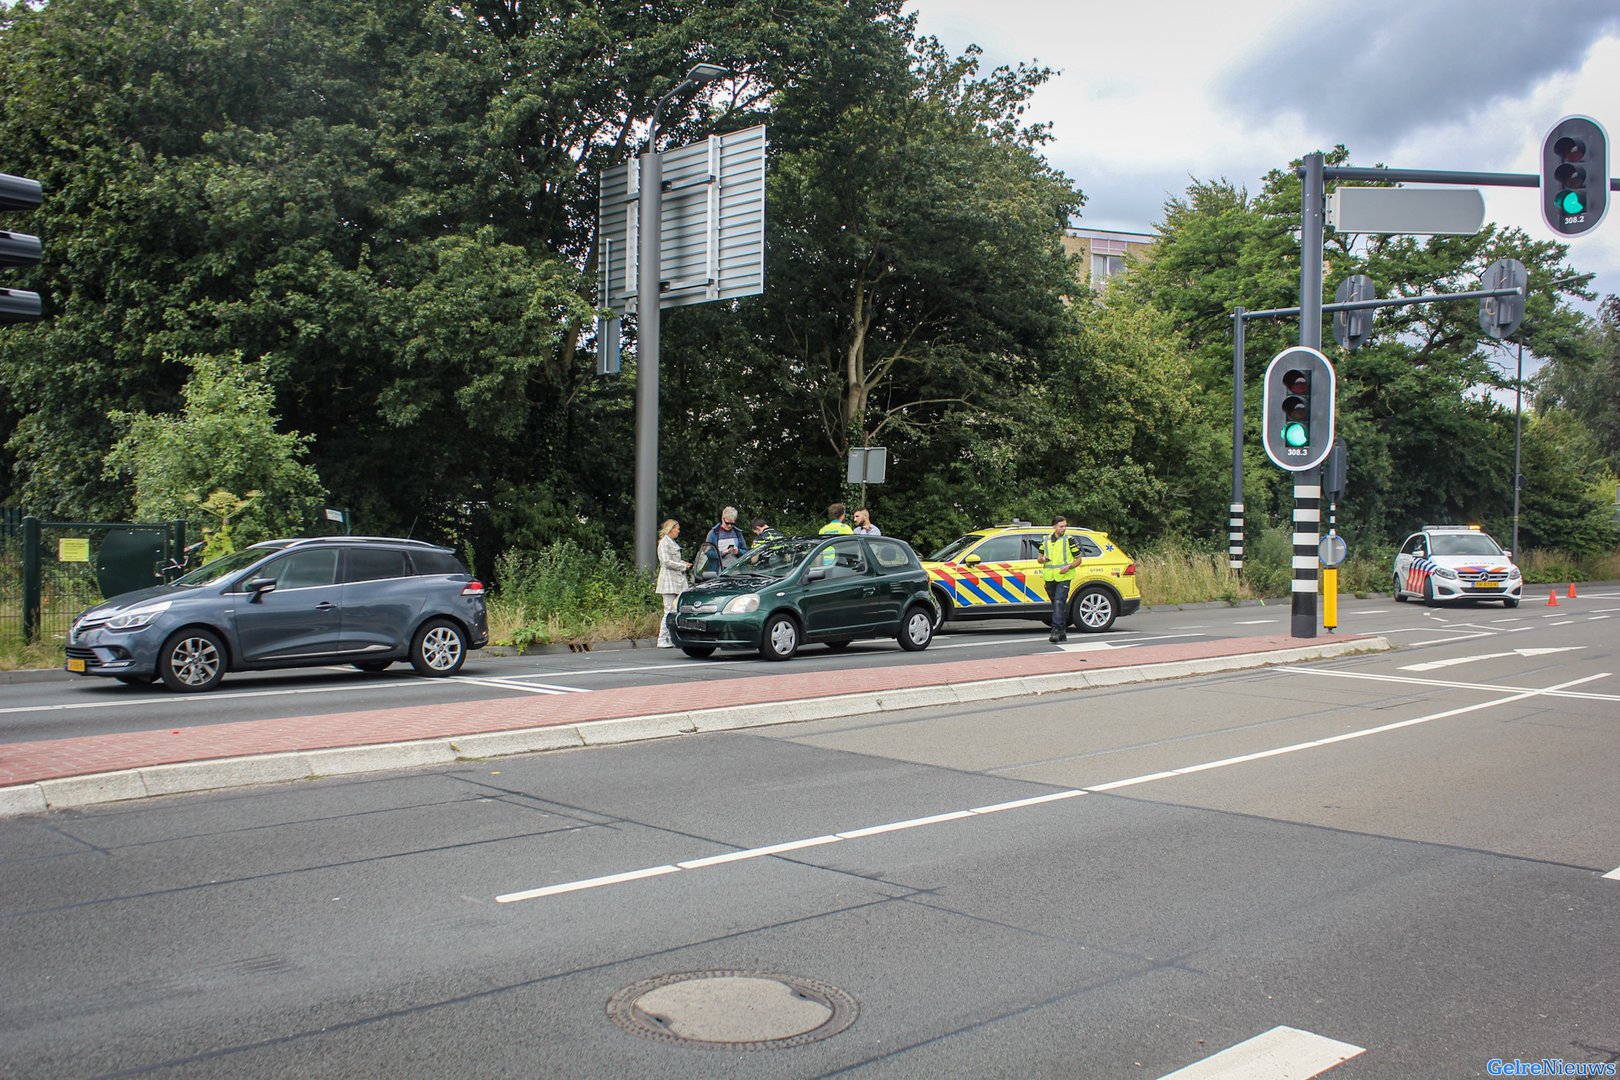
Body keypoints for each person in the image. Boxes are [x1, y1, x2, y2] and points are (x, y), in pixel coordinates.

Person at [1036, 514, 1084, 643]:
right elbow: (1039, 558)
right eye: (1061, 526)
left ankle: (1056, 631)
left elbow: (1079, 559)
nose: (1064, 528)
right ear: (1054, 527)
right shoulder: (1045, 540)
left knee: (1058, 602)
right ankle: (1062, 632)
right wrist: (1043, 559)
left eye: (1065, 526)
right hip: (1049, 577)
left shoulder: (1069, 540)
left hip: (1064, 576)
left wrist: (1069, 567)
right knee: (1057, 605)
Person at [655, 519, 691, 648]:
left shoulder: (671, 542)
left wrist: (683, 563)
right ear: (671, 529)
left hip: (676, 580)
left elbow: (674, 559)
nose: (679, 531)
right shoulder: (664, 543)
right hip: (668, 580)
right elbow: (666, 562)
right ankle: (662, 638)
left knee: (675, 609)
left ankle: (670, 637)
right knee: (669, 610)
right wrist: (682, 566)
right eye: (677, 528)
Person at [703, 507, 749, 572]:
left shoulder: (738, 533)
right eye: (727, 523)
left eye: (732, 524)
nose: (729, 526)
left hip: (737, 571)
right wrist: (722, 553)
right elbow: (708, 552)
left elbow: (746, 551)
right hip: (718, 571)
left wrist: (738, 551)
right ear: (722, 518)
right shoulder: (713, 533)